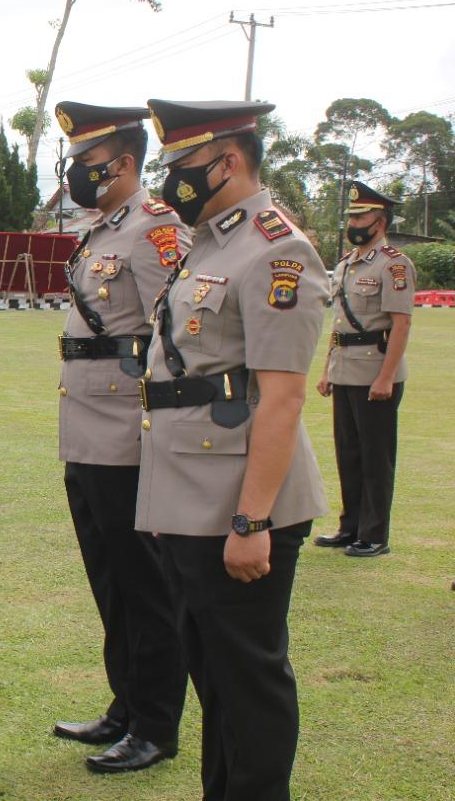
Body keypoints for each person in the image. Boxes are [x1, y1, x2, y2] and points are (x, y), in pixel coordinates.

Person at [137, 99, 330, 801]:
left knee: (248, 677)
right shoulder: (211, 241)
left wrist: (252, 522)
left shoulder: (277, 247)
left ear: (228, 160)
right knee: (213, 673)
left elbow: (281, 397)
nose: (172, 183)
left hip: (243, 506)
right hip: (193, 498)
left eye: (183, 166)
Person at [51, 102, 189, 773]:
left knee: (145, 583)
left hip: (131, 430)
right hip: (84, 425)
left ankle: (156, 723)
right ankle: (125, 704)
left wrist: (162, 425)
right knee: (108, 578)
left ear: (123, 162)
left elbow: (180, 332)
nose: (76, 172)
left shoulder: (155, 227)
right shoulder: (100, 228)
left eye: (86, 161)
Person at [314, 181, 414, 557]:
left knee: (376, 457)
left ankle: (374, 534)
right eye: (351, 216)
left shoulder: (394, 264)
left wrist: (386, 376)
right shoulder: (346, 264)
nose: (353, 222)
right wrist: (327, 370)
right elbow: (340, 325)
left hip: (376, 371)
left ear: (381, 220)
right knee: (349, 454)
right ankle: (350, 526)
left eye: (360, 216)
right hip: (344, 370)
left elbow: (401, 325)